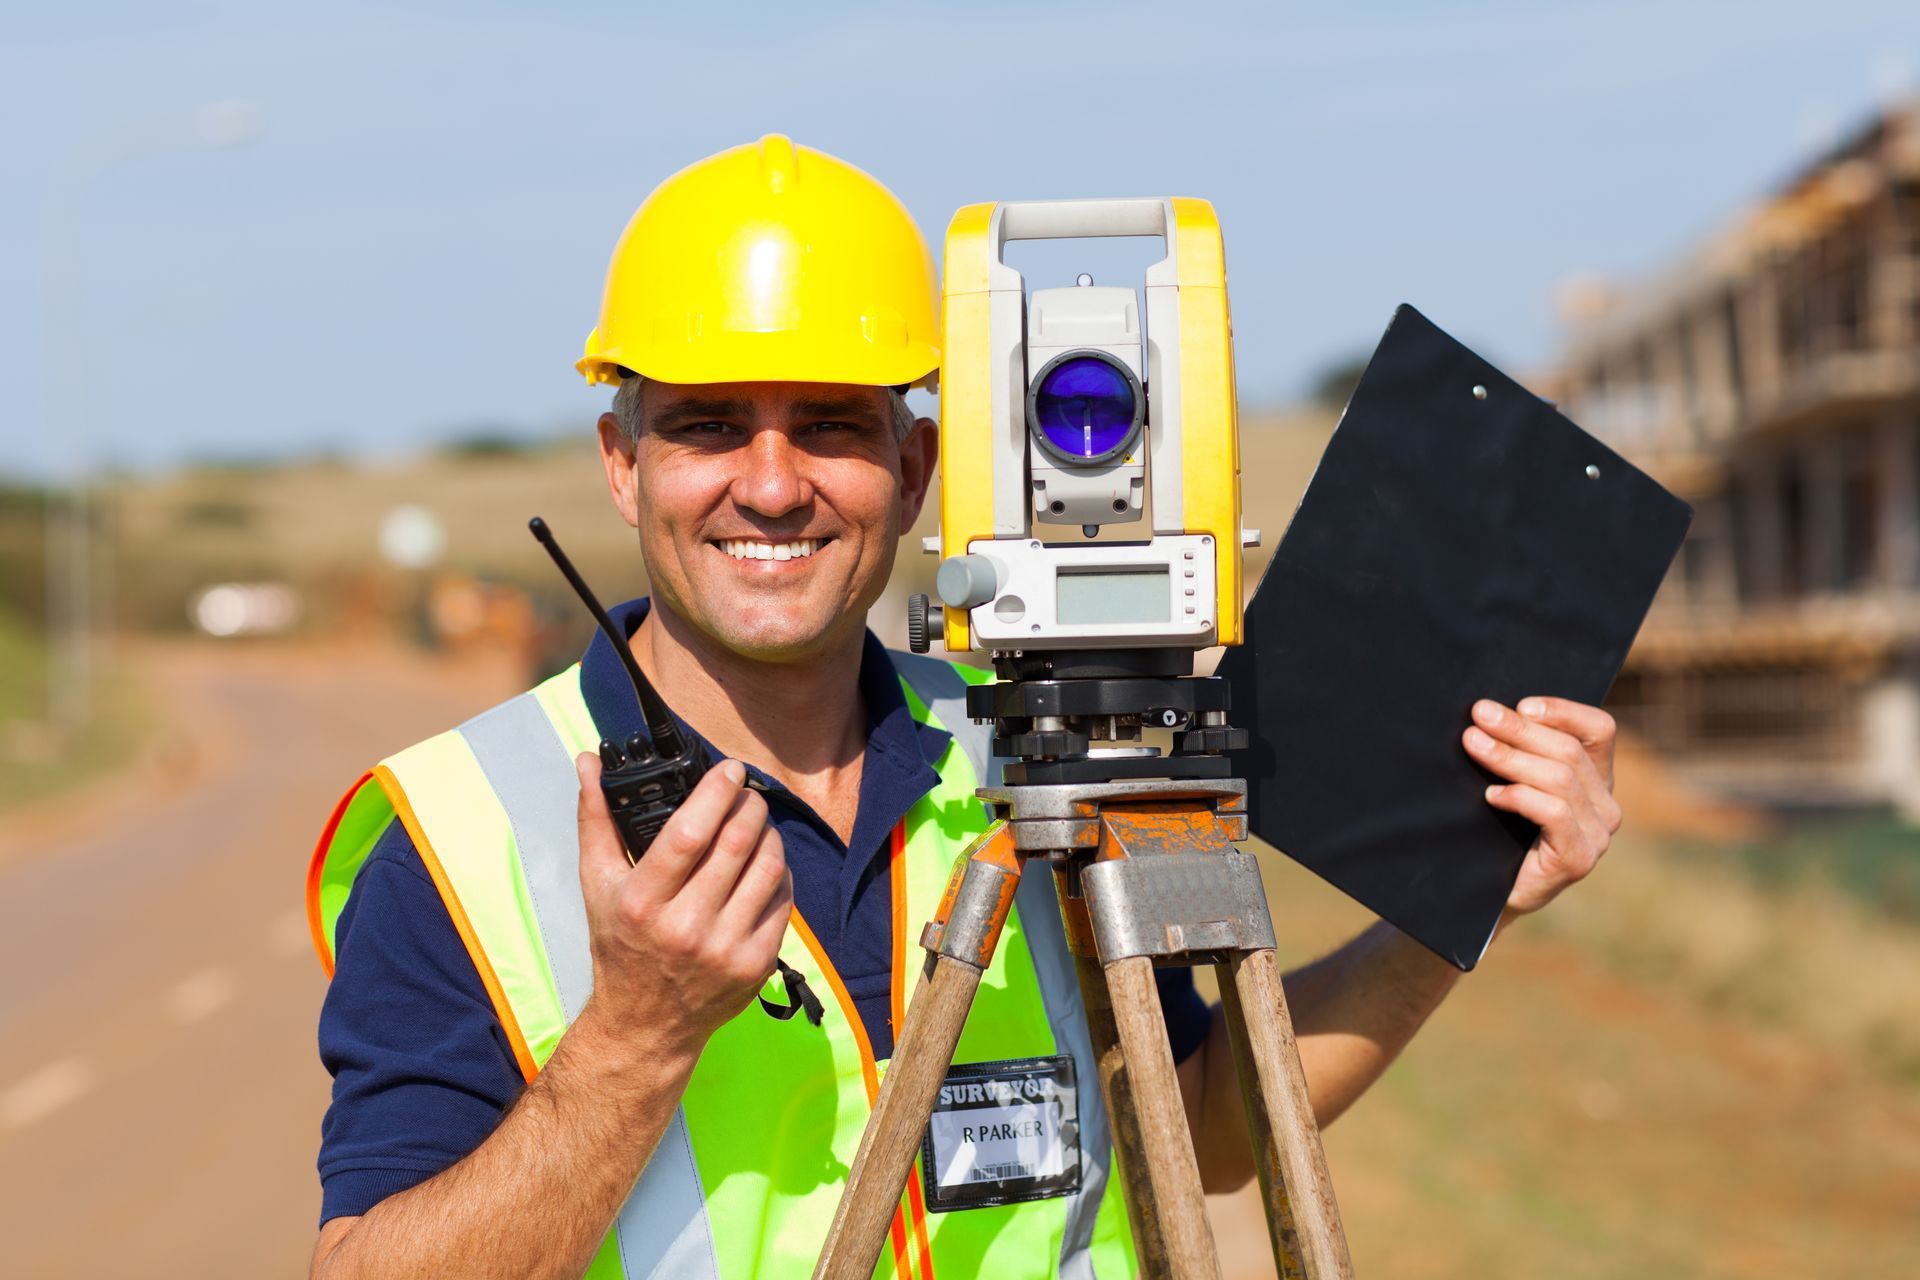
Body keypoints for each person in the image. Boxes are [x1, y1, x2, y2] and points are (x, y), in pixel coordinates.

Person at [305, 136, 1624, 1280]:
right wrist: (635, 1041)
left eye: (828, 424)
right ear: (622, 463)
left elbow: (1213, 1125)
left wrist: (1453, 904)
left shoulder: (1033, 756)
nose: (771, 487)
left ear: (919, 464)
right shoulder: (469, 831)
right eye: (710, 425)